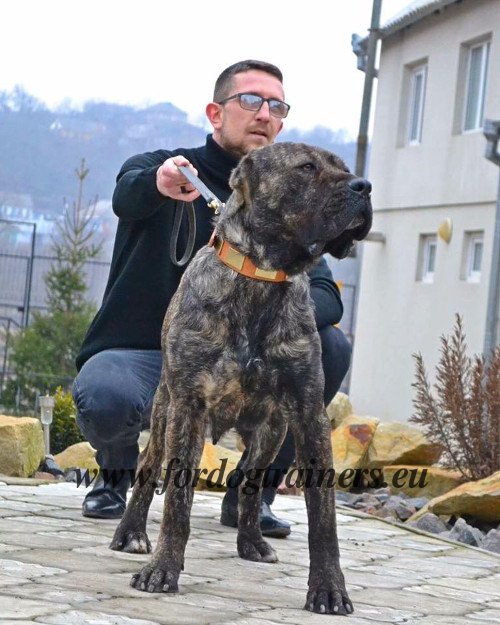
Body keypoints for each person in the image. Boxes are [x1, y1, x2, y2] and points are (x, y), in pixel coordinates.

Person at [72, 60, 352, 537]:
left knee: (329, 346)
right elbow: (128, 195)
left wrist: (274, 314)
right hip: (146, 352)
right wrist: (160, 184)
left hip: (248, 361)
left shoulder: (288, 198)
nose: (264, 113)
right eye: (250, 100)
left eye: (276, 105)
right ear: (215, 113)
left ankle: (251, 493)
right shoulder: (169, 167)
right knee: (105, 394)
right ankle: (115, 476)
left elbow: (325, 292)